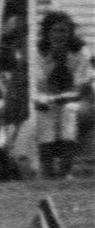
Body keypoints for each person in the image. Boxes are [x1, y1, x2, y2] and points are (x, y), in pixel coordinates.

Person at [32, 10, 93, 181]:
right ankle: (48, 171)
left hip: (77, 98)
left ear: (70, 32)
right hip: (48, 96)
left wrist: (66, 97)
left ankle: (64, 171)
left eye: (63, 30)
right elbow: (40, 83)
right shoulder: (39, 52)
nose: (59, 35)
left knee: (69, 112)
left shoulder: (80, 52)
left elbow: (81, 85)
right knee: (45, 113)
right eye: (54, 31)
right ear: (47, 32)